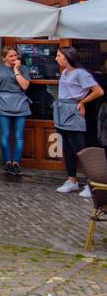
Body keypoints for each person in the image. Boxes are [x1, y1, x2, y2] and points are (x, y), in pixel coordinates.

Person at [52, 47, 104, 198]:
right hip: (61, 109)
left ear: (67, 57)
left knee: (79, 148)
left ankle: (91, 184)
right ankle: (72, 180)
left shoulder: (81, 74)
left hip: (73, 111)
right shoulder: (64, 72)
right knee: (67, 147)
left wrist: (82, 102)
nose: (56, 58)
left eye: (59, 56)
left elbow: (98, 91)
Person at [0, 47, 33, 176]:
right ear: (4, 58)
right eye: (11, 56)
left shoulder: (23, 69)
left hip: (20, 103)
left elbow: (25, 86)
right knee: (5, 135)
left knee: (19, 136)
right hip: (3, 103)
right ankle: (8, 162)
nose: (14, 58)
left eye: (15, 55)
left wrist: (16, 70)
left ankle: (16, 163)